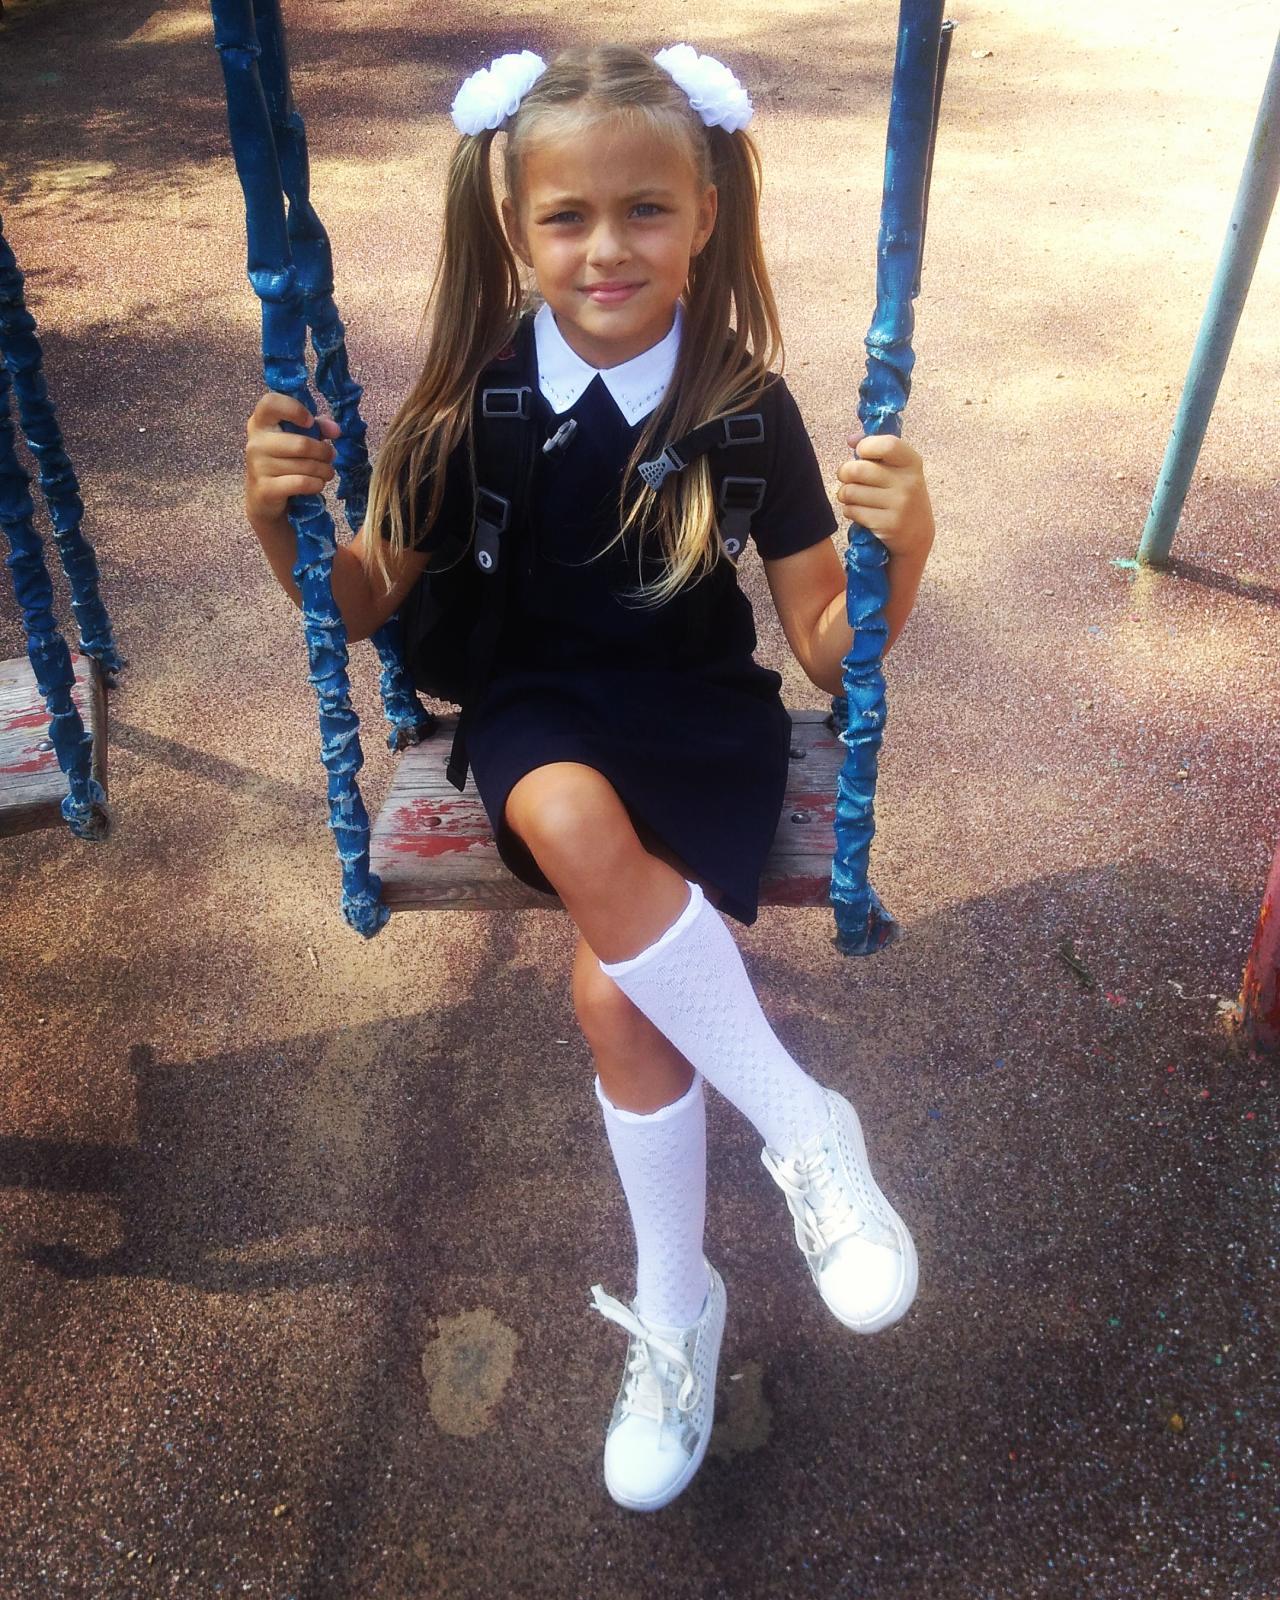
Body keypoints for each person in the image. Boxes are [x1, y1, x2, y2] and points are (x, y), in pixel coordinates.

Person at [244, 42, 936, 1513]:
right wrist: (280, 524)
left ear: (704, 214)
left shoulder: (741, 403)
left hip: (694, 712)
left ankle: (679, 1307)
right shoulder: (471, 406)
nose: (607, 248)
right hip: (536, 707)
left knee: (617, 996)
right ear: (516, 227)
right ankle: (803, 1121)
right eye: (568, 216)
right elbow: (362, 600)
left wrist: (905, 551)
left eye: (645, 210)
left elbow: (826, 647)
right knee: (562, 811)